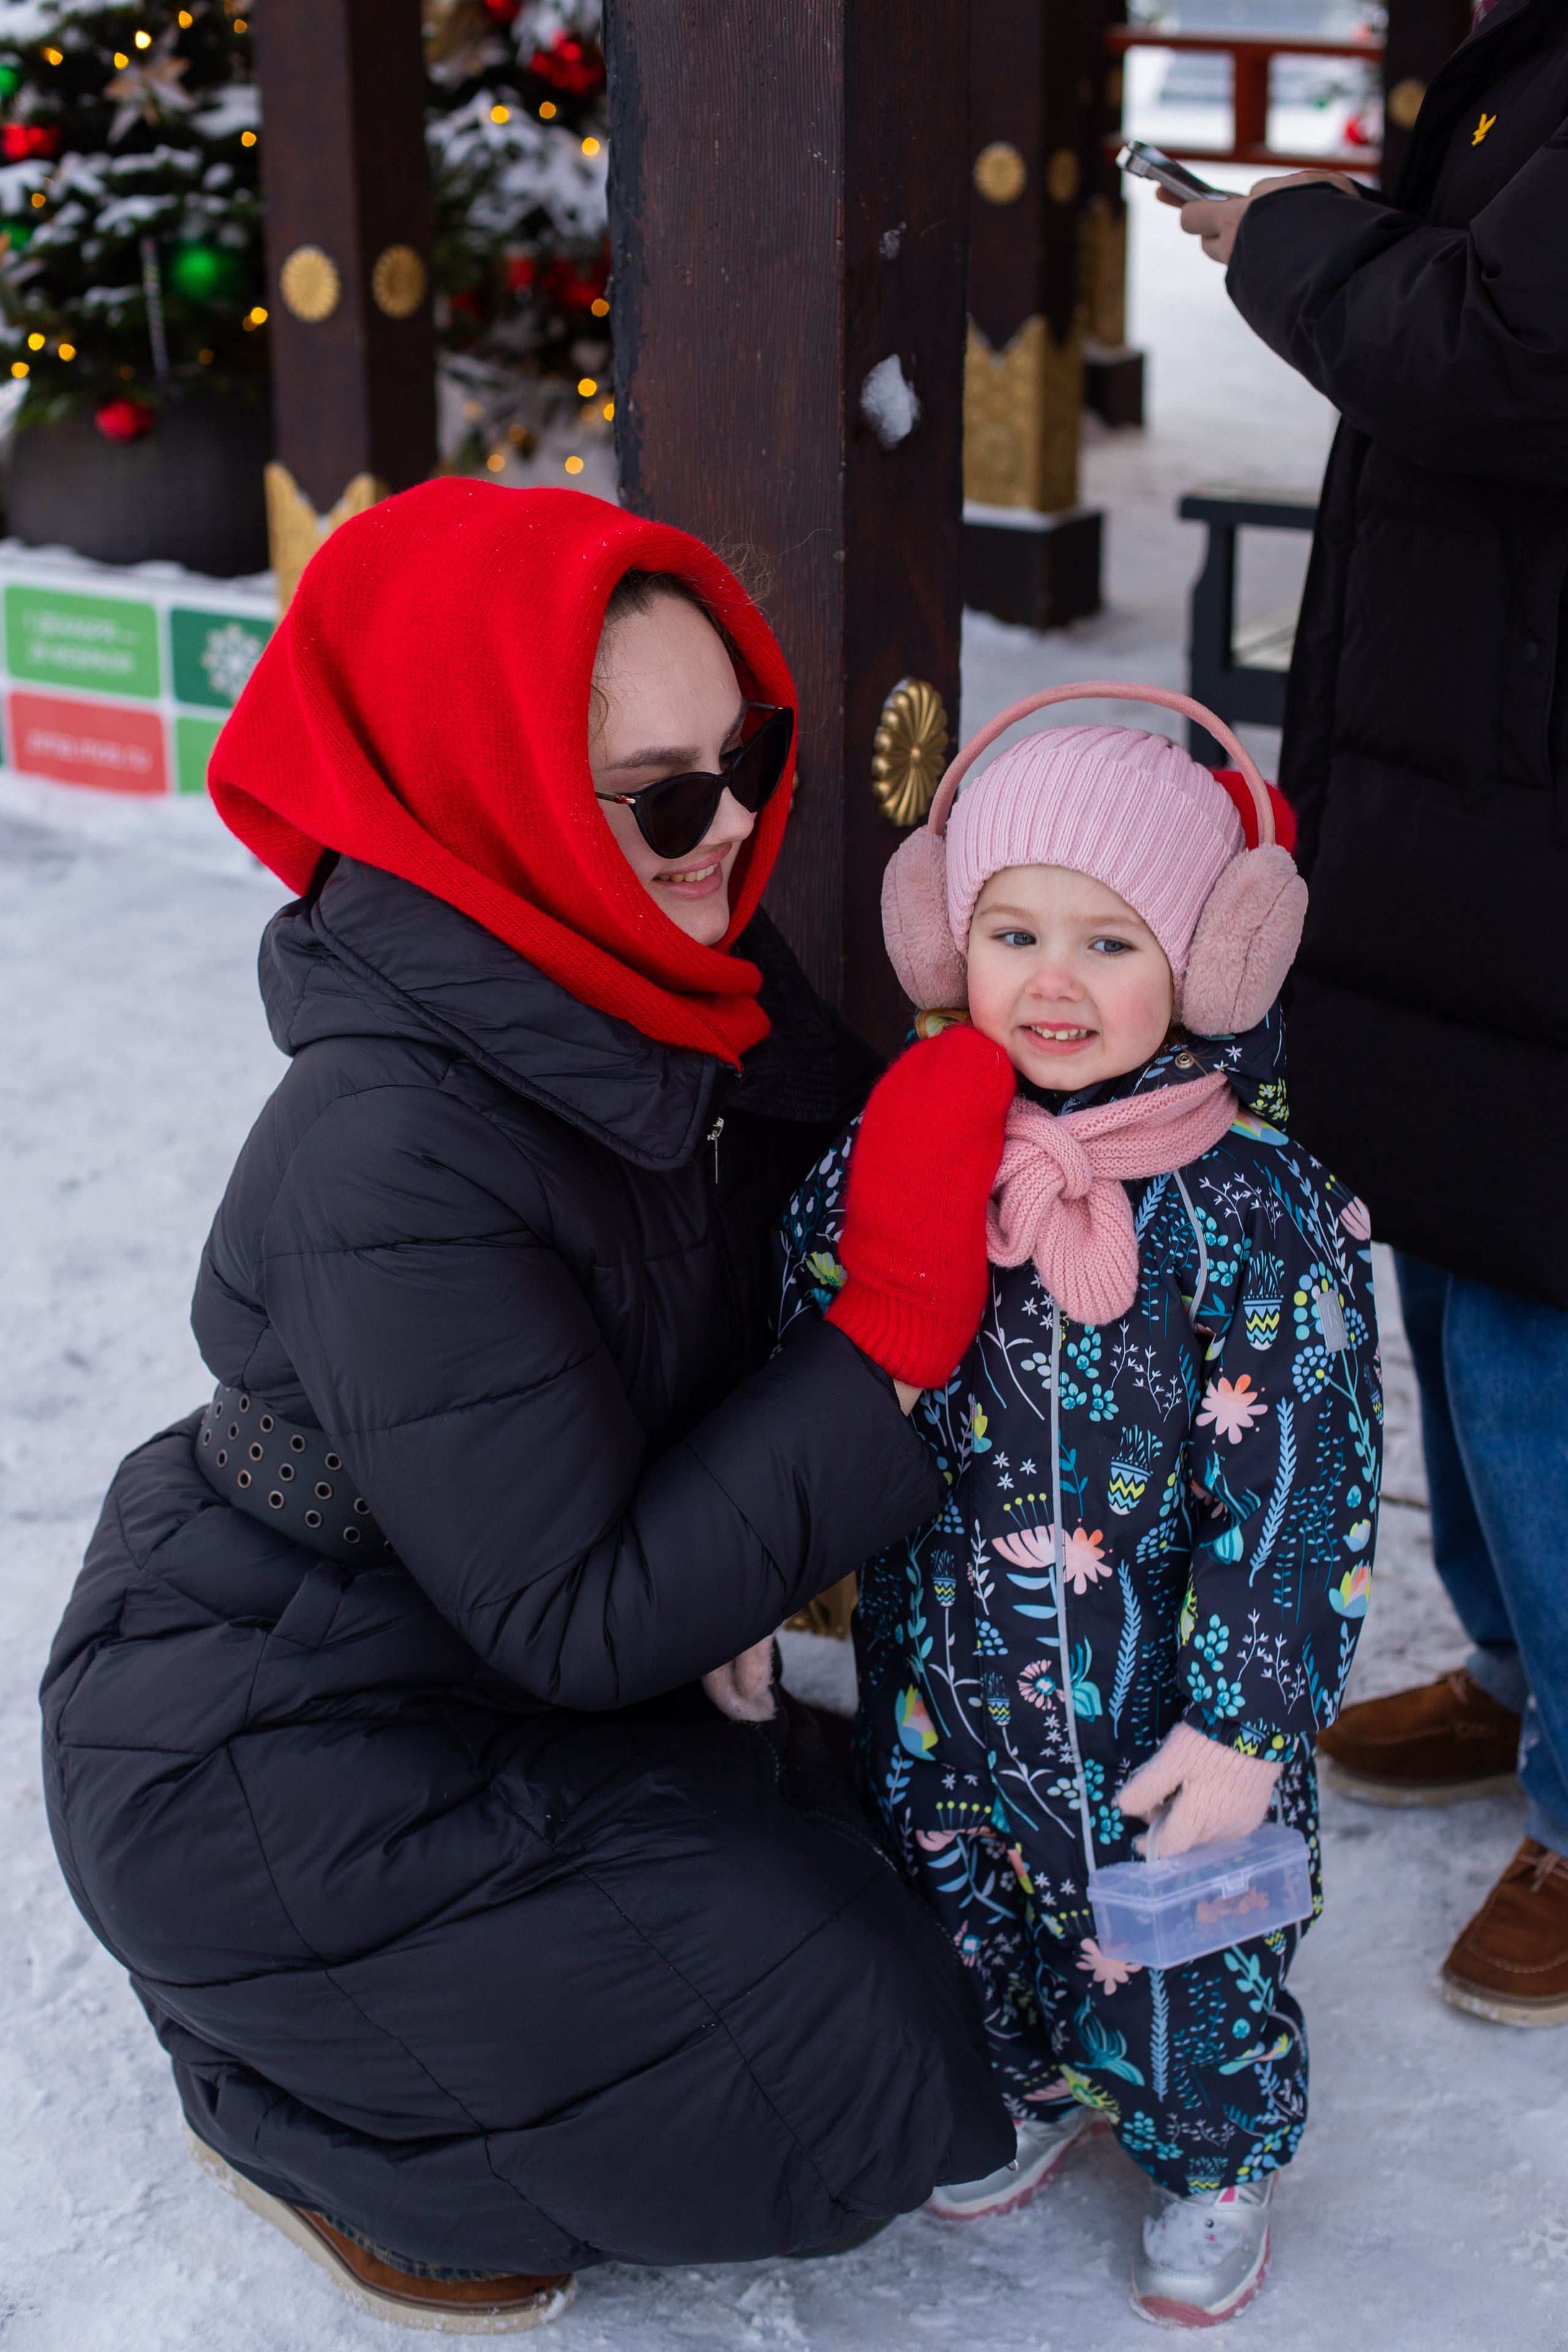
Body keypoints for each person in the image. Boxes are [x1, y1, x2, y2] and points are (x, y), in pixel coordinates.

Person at [39, 480, 1012, 2330]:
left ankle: (421, 2013)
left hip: (497, 1658)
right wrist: (881, 1354)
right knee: (862, 2083)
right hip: (278, 1743)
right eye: (660, 793)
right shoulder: (384, 1145)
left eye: (747, 758)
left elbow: (847, 1185)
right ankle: (288, 2099)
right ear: (484, 787)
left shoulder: (675, 974)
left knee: (967, 1899)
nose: (728, 829)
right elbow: (585, 1605)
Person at [775, 687, 1382, 2328]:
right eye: (1014, 929)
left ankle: (1212, 2149)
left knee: (1191, 1944)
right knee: (959, 1899)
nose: (1054, 980)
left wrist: (1253, 1724)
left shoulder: (1257, 1214)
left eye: (1112, 943)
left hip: (1165, 1716)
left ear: (1211, 960)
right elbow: (808, 1383)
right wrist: (767, 1581)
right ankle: (1025, 2079)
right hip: (948, 1685)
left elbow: (1302, 1481)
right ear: (941, 939)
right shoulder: (890, 1157)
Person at [1163, 0, 1568, 2029]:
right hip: (1467, 793)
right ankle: (1518, 1685)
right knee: (1454, 1256)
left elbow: (1511, 350)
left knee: (1534, 1315)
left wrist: (1285, 241)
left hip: (1530, 804)